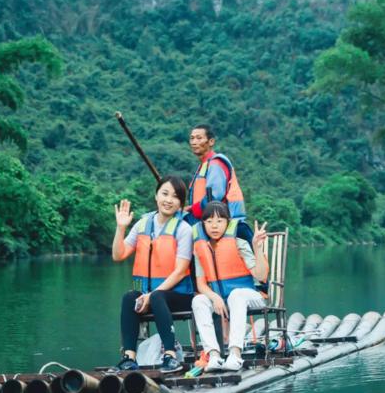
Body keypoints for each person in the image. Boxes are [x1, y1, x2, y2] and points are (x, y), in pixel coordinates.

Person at [112, 175, 193, 373]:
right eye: (164, 194)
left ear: (180, 203)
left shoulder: (183, 229)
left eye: (175, 197)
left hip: (179, 296)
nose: (168, 200)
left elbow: (181, 270)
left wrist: (151, 295)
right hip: (150, 295)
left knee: (157, 296)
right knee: (129, 297)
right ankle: (129, 358)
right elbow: (118, 254)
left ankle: (170, 356)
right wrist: (121, 228)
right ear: (156, 196)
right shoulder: (142, 225)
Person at [191, 201, 269, 371]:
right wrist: (215, 297)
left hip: (251, 296)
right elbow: (201, 284)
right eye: (209, 221)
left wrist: (256, 247)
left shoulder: (238, 242)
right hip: (221, 299)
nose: (214, 226)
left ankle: (235, 354)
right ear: (203, 224)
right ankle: (214, 356)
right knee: (198, 301)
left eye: (219, 221)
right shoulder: (199, 247)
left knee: (236, 295)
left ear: (227, 223)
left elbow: (261, 275)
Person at [185, 124, 246, 226]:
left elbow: (213, 198)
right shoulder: (204, 165)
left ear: (211, 142)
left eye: (199, 138)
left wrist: (191, 209)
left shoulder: (215, 164)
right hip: (205, 219)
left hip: (217, 223)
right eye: (192, 138)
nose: (194, 142)